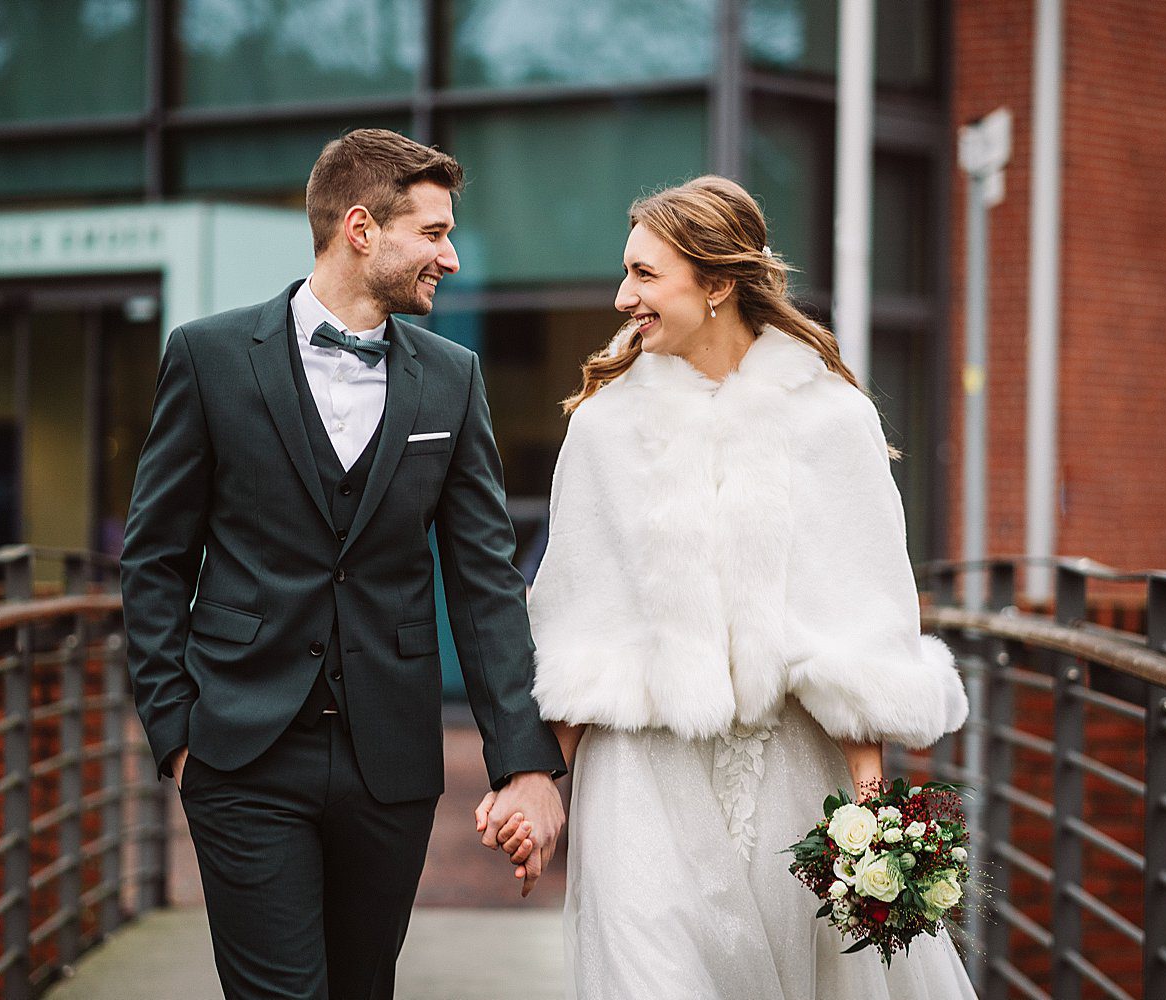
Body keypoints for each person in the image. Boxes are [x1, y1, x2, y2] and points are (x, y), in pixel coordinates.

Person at [496, 175, 977, 998]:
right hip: (640, 781)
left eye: (646, 275)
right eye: (626, 273)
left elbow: (863, 621)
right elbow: (579, 621)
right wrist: (539, 782)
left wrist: (872, 813)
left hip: (791, 771)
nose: (622, 297)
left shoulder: (831, 419)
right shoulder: (606, 425)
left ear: (717, 283)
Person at [120, 128, 566, 1000]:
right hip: (242, 753)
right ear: (361, 227)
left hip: (389, 762)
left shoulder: (453, 378)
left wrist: (524, 762)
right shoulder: (209, 359)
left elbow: (483, 582)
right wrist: (176, 734)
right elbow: (154, 559)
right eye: (433, 233)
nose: (451, 255)